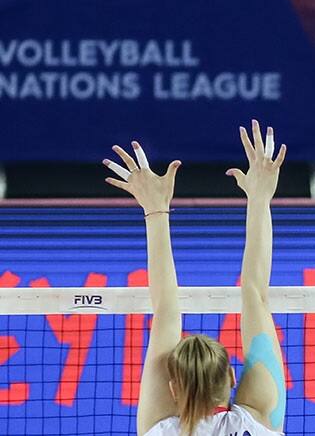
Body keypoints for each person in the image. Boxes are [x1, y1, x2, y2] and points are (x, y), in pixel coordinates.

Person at [103, 120, 287, 436]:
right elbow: (255, 294)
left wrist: (156, 210)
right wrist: (260, 198)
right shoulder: (256, 425)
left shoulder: (159, 431)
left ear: (172, 389)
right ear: (231, 376)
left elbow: (165, 313)